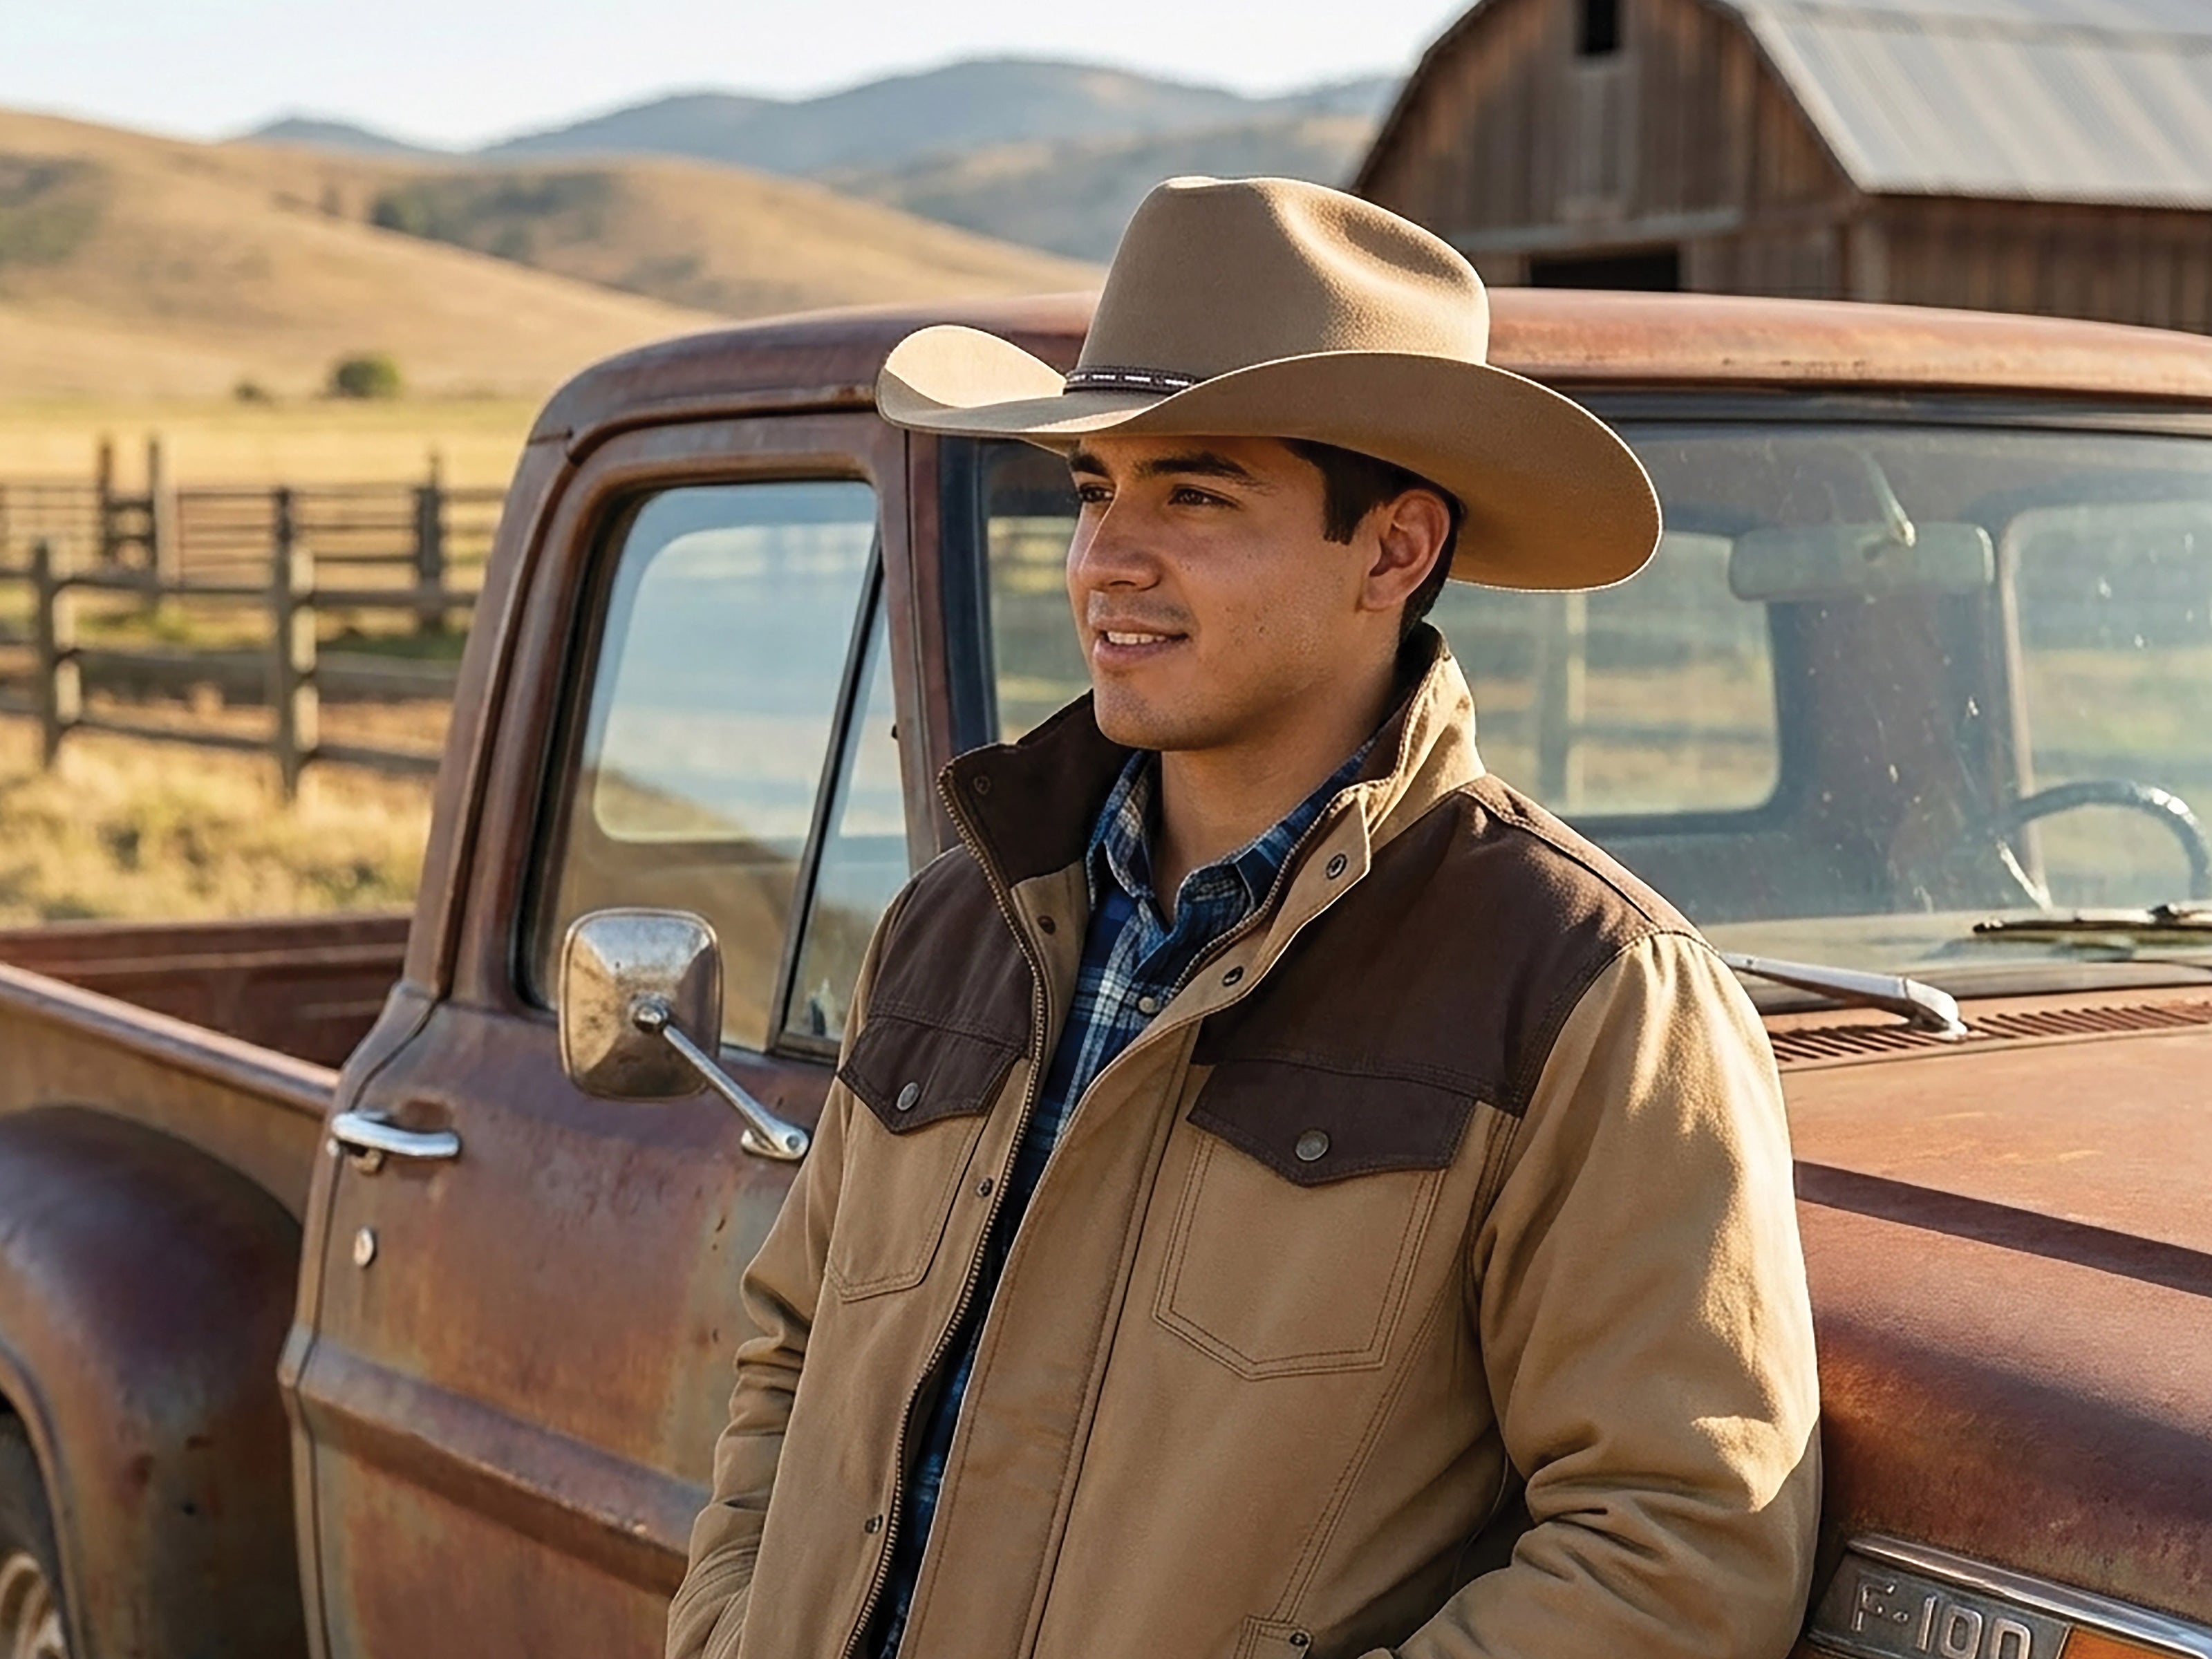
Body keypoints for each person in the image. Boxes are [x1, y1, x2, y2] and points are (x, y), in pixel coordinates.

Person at [666, 175, 1819, 1659]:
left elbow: (1678, 1549)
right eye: (1094, 493)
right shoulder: (961, 918)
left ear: (1392, 553)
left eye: (1194, 495)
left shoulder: (1584, 991)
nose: (1104, 559)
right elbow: (795, 1359)